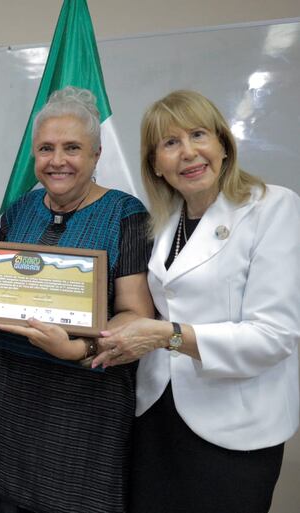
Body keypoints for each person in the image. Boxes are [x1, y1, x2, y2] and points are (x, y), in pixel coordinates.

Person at [94, 90, 300, 513]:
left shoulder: (273, 207)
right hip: (156, 415)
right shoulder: (164, 223)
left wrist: (165, 336)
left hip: (233, 427)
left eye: (198, 135)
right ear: (155, 164)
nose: (187, 153)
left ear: (223, 145)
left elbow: (273, 336)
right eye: (169, 143)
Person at [0, 86, 155, 513]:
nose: (57, 160)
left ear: (95, 154)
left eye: (72, 148)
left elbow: (136, 316)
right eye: (46, 148)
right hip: (12, 396)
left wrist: (78, 349)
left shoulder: (126, 214)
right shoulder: (18, 211)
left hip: (84, 404)